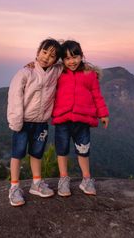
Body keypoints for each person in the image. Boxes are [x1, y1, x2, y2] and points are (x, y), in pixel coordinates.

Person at [6, 38, 63, 207]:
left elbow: (70, 60)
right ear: (38, 52)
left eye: (52, 55)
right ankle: (14, 187)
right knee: (18, 154)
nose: (46, 57)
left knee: (37, 153)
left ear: (56, 60)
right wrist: (16, 122)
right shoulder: (25, 73)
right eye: (44, 52)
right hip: (23, 121)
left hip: (41, 122)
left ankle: (36, 184)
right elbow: (15, 97)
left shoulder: (55, 71)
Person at [51, 40, 109, 197]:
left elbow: (97, 95)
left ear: (82, 56)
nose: (71, 61)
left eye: (75, 57)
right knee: (61, 150)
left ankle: (86, 179)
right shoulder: (58, 73)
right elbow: (43, 73)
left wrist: (103, 114)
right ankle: (63, 179)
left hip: (82, 120)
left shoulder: (89, 75)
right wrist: (32, 64)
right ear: (62, 59)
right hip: (62, 119)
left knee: (83, 150)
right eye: (67, 58)